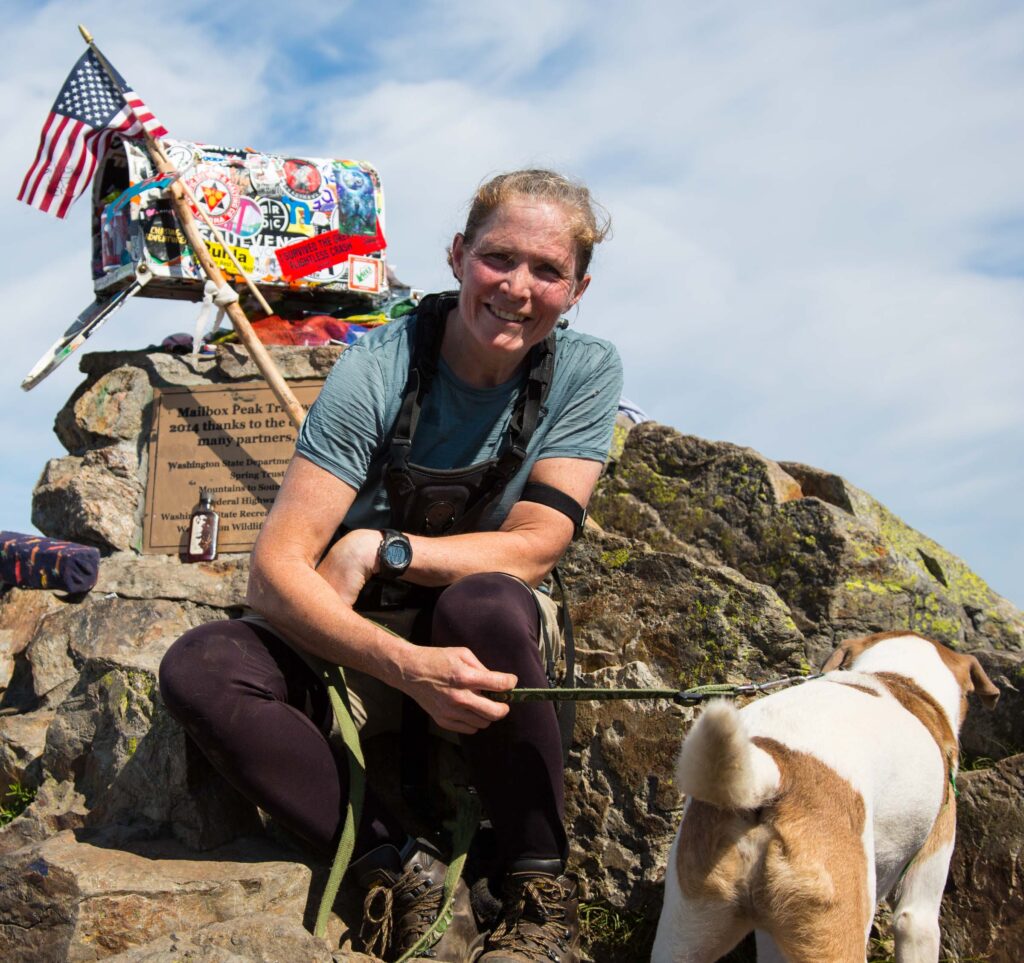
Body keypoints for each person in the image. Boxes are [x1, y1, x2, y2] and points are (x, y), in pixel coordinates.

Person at [159, 169, 623, 963]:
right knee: (199, 666)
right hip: (357, 622)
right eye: (498, 258)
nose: (517, 287)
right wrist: (406, 666)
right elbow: (275, 571)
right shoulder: (377, 364)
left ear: (577, 288)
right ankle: (396, 868)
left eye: (547, 271)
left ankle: (537, 896)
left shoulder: (584, 371)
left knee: (486, 602)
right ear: (457, 256)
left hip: (473, 621)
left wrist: (385, 546)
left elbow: (538, 542)